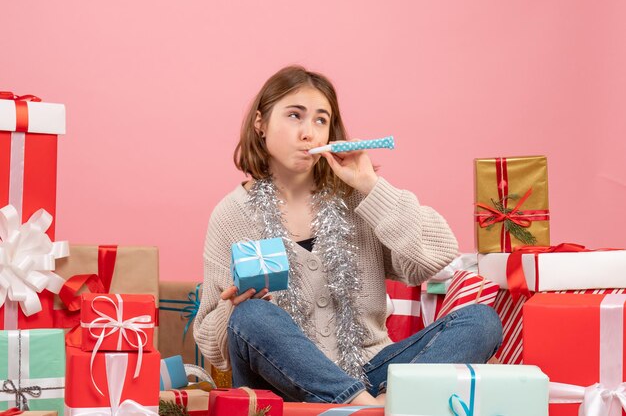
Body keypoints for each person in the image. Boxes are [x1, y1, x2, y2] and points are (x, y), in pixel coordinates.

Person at [194, 65, 502, 405]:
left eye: (320, 120)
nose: (308, 132)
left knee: (481, 321)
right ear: (260, 123)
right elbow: (212, 344)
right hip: (282, 385)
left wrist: (371, 185)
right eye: (295, 116)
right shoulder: (231, 214)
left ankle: (378, 405)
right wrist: (234, 307)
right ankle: (371, 408)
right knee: (252, 316)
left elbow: (435, 254)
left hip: (373, 371)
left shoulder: (357, 198)